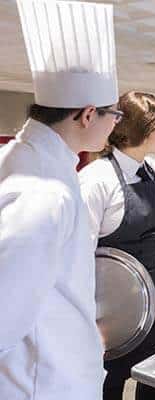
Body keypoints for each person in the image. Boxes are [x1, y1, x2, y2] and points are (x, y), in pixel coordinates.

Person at [0, 1, 120, 399]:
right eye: (114, 115)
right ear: (88, 115)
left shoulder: (30, 161)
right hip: (44, 382)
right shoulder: (43, 192)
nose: (115, 125)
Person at [79, 92, 155, 400]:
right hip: (109, 310)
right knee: (108, 387)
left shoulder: (148, 169)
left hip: (154, 301)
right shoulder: (96, 180)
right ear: (141, 131)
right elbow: (78, 255)